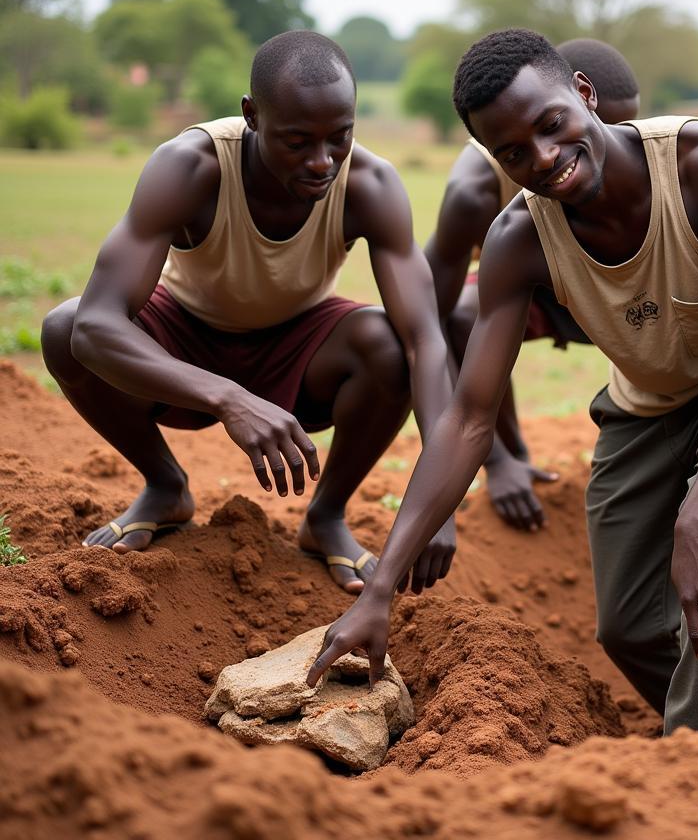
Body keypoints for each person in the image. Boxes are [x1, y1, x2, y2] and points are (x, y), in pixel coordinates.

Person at [307, 28, 698, 749]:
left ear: (585, 96)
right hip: (650, 398)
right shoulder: (518, 238)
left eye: (552, 125)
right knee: (625, 623)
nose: (545, 159)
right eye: (515, 153)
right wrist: (380, 589)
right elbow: (469, 416)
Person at [41, 30, 455, 595]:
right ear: (252, 116)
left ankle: (326, 516)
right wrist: (228, 397)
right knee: (64, 328)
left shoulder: (369, 183)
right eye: (297, 141)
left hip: (298, 349)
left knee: (387, 343)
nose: (321, 161)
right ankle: (165, 486)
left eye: (340, 137)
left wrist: (443, 492)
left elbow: (425, 340)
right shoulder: (191, 166)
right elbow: (94, 326)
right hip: (182, 335)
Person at [424, 38, 639, 530]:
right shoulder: (477, 191)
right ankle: (515, 456)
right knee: (462, 312)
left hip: (633, 290)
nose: (616, 140)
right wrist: (495, 459)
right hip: (543, 294)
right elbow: (428, 317)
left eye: (625, 127)